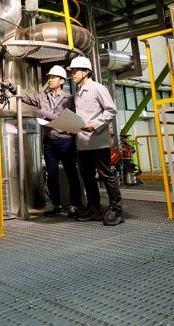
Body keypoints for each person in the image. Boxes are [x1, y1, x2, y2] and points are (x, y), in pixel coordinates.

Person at [14, 65, 81, 218]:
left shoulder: (69, 98)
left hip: (66, 141)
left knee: (71, 174)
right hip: (49, 141)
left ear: (62, 80)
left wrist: (71, 128)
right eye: (49, 77)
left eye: (53, 77)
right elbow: (27, 96)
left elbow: (76, 118)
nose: (49, 79)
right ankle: (56, 205)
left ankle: (74, 206)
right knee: (51, 175)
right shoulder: (42, 97)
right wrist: (12, 89)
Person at [67, 56, 123, 226]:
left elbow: (111, 110)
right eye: (72, 70)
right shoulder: (77, 92)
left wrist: (95, 124)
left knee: (106, 175)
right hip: (83, 142)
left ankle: (116, 210)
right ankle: (94, 208)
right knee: (87, 176)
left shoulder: (97, 88)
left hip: (97, 141)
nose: (73, 73)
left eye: (75, 70)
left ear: (86, 71)